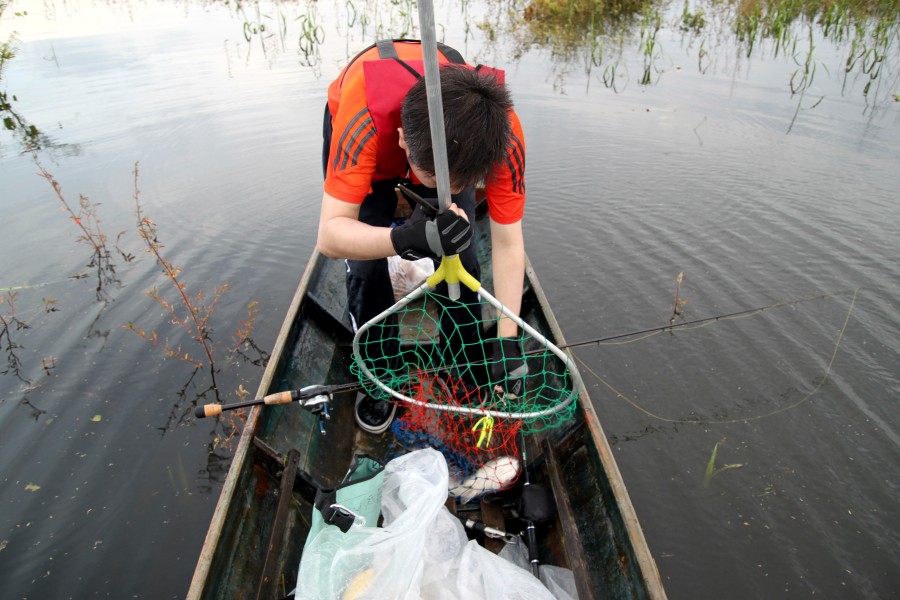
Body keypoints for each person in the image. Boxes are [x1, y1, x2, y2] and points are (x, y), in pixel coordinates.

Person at [317, 39, 527, 434]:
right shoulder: (361, 122)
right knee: (365, 269)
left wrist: (508, 338)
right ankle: (381, 376)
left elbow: (508, 241)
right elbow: (330, 236)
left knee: (464, 262)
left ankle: (467, 372)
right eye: (436, 182)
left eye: (467, 183)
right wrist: (406, 238)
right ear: (402, 142)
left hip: (450, 142)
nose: (454, 189)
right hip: (373, 146)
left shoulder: (501, 132)